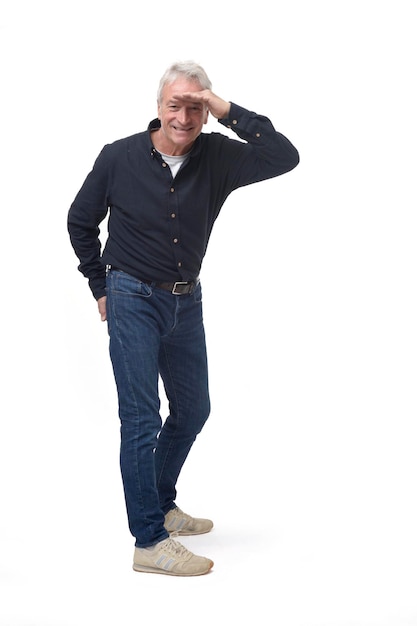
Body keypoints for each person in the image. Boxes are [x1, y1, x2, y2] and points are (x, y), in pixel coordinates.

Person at [68, 60, 299, 577]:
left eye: (196, 106)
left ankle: (162, 504)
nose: (185, 116)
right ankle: (149, 541)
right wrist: (99, 286)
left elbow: (284, 156)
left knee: (193, 409)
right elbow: (80, 220)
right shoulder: (119, 157)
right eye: (177, 104)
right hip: (130, 297)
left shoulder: (217, 154)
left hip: (185, 300)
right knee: (142, 419)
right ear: (158, 108)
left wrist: (224, 108)